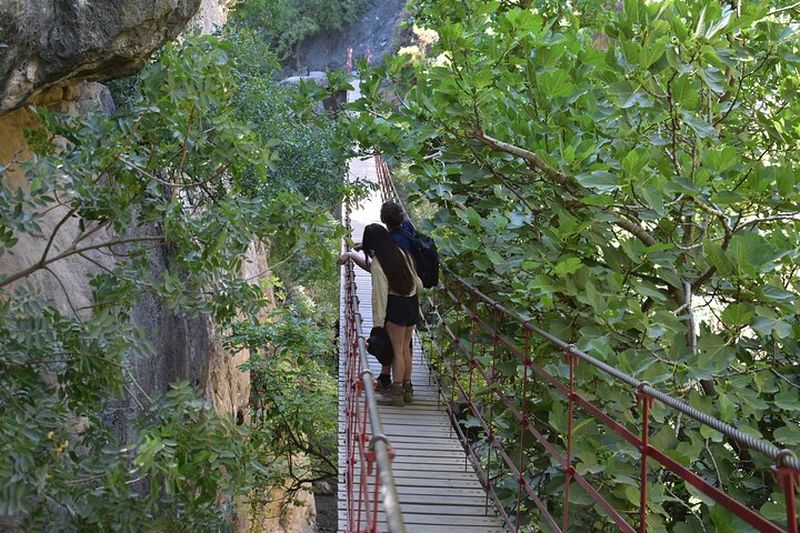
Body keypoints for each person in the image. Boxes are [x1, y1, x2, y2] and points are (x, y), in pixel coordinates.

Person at [340, 223, 422, 406]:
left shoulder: (379, 263)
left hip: (396, 307)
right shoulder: (402, 252)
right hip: (411, 303)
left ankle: (396, 393)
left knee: (397, 351)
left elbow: (380, 294)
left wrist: (378, 322)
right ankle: (407, 389)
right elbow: (416, 281)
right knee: (405, 348)